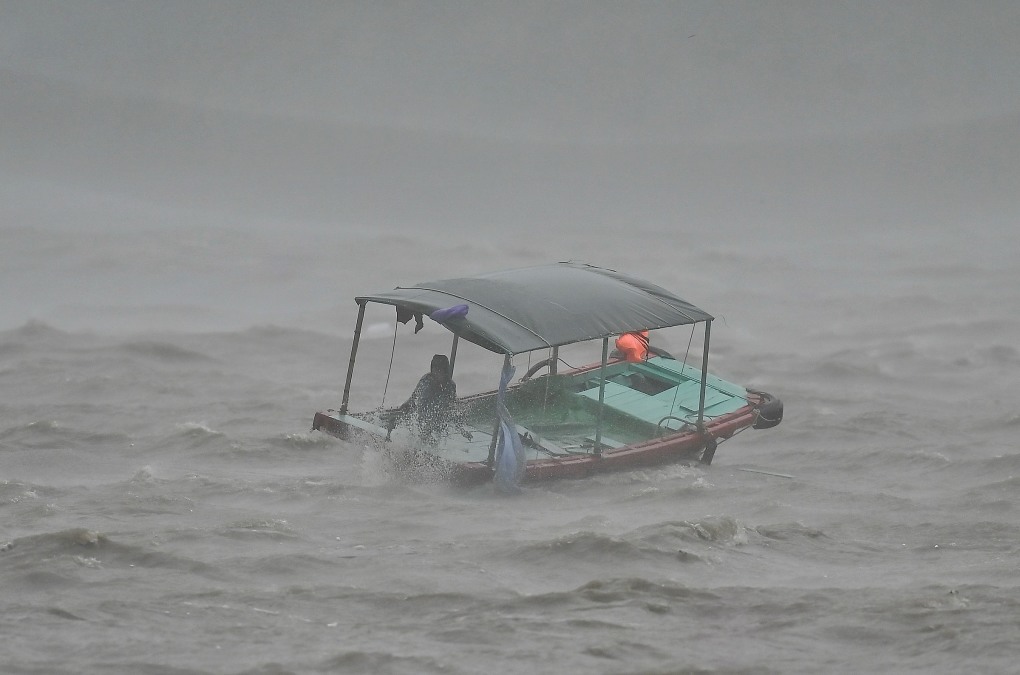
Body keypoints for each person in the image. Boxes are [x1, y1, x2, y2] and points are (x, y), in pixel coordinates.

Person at [385, 354, 473, 444]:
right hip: (421, 419)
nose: (437, 374)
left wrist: (462, 430)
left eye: (440, 371)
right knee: (395, 420)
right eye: (435, 370)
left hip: (438, 421)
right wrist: (405, 405)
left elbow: (452, 407)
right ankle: (388, 438)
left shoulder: (450, 386)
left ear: (445, 372)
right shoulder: (426, 381)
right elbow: (414, 398)